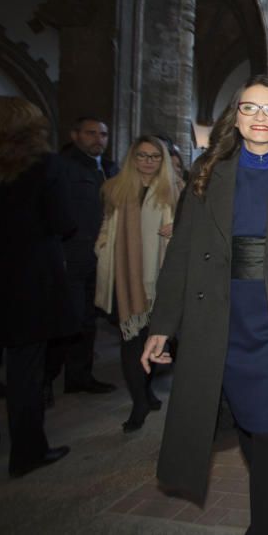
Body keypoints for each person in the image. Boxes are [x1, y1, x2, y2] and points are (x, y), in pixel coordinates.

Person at [140, 75, 268, 534]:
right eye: (250, 108)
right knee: (250, 427)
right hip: (223, 318)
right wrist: (162, 324)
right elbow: (182, 254)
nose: (260, 118)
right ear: (235, 117)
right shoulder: (207, 173)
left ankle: (262, 528)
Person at [0, 97, 74, 477]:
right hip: (28, 280)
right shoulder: (45, 166)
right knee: (26, 370)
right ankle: (27, 452)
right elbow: (63, 220)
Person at [95, 136, 181, 432]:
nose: (147, 161)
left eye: (154, 156)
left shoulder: (175, 191)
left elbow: (195, 229)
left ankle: (147, 391)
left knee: (158, 337)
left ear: (163, 160)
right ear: (132, 158)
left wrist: (178, 228)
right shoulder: (115, 190)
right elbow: (104, 229)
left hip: (161, 275)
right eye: (142, 156)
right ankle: (139, 401)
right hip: (127, 277)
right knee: (132, 340)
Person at [46, 117, 119, 402]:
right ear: (75, 135)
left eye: (103, 134)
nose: (98, 139)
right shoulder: (61, 167)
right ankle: (44, 380)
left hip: (99, 257)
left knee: (89, 319)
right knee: (66, 320)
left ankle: (79, 375)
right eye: (91, 133)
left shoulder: (110, 169)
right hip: (71, 255)